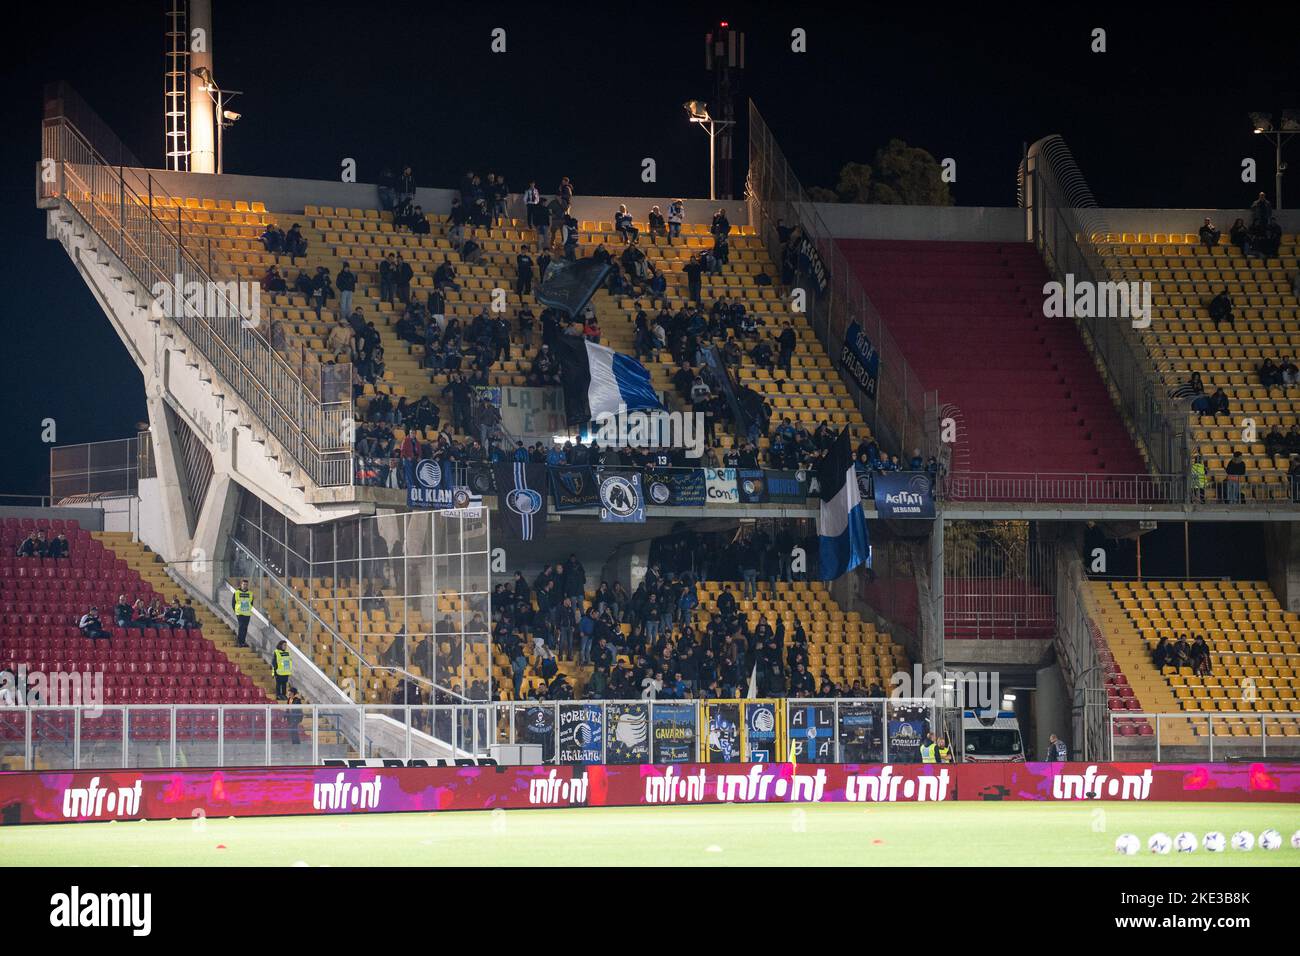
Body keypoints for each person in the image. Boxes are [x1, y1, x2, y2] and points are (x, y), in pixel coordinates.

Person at [232, 578, 253, 647]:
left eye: (246, 585)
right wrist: (236, 611)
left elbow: (251, 603)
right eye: (244, 584)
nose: (245, 586)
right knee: (241, 627)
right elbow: (233, 603)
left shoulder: (250, 593)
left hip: (247, 613)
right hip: (240, 613)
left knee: (245, 628)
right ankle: (239, 642)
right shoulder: (237, 592)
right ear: (241, 585)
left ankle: (243, 642)